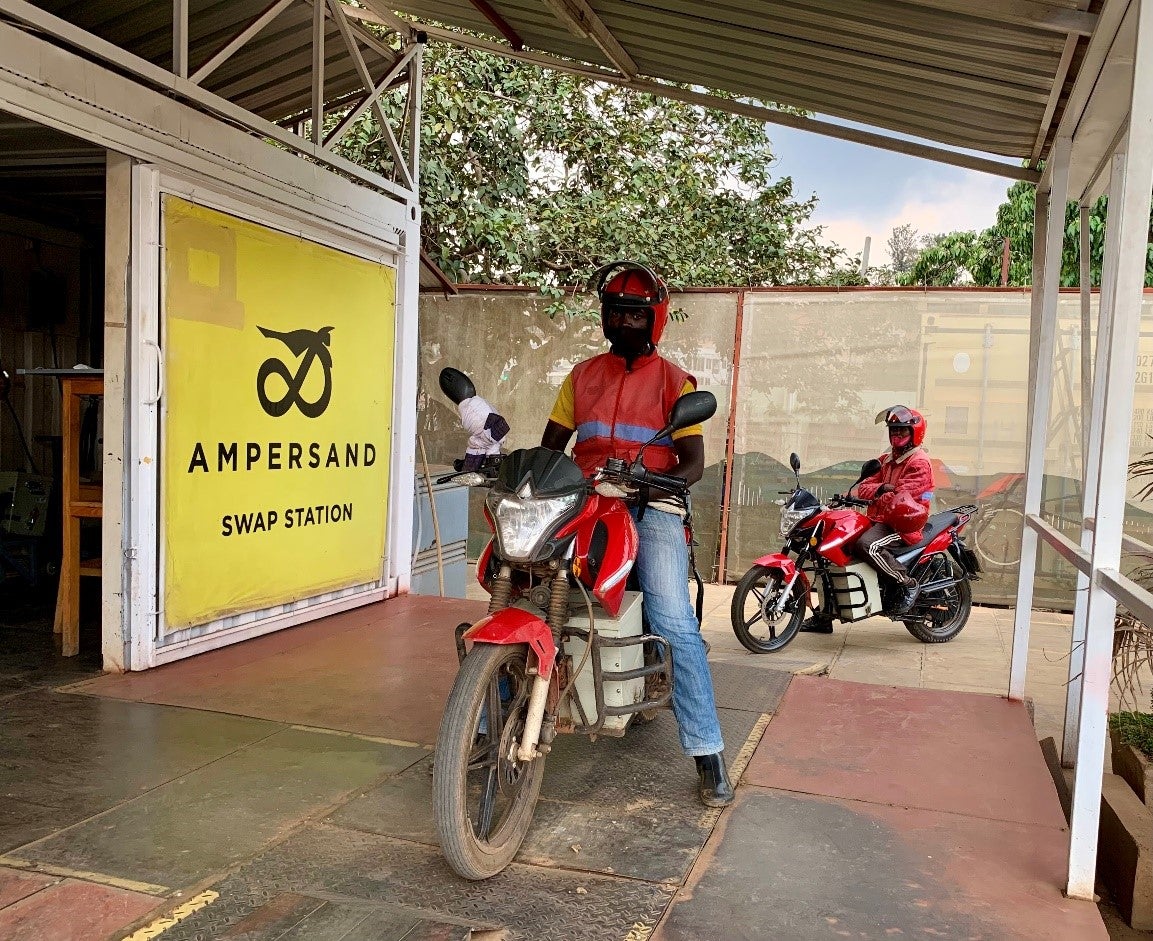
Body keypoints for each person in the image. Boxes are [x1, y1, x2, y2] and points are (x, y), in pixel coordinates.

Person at [540, 260, 733, 808]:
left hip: (654, 504)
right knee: (534, 587)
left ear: (655, 320)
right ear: (604, 317)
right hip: (585, 501)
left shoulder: (677, 382)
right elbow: (551, 447)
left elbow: (693, 461)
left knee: (673, 617)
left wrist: (656, 485)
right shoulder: (581, 376)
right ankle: (489, 712)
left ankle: (707, 750)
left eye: (636, 313)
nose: (625, 321)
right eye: (617, 312)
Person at [801, 405, 934, 633]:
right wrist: (880, 489)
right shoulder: (886, 460)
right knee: (832, 550)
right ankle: (825, 616)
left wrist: (880, 492)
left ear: (914, 433)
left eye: (902, 430)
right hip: (879, 519)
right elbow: (866, 487)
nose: (897, 435)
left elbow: (900, 498)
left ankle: (908, 584)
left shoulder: (919, 463)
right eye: (894, 430)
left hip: (902, 523)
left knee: (868, 546)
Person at [439, 367, 510, 471]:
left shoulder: (471, 409)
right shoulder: (477, 404)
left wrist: (474, 444)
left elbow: (492, 437)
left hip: (492, 459)